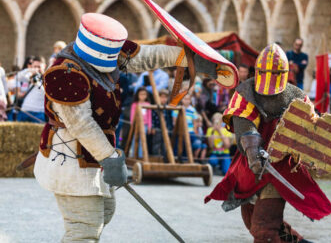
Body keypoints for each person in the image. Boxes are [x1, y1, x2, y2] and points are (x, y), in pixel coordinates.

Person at [33, 13, 221, 242]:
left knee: (104, 212)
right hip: (70, 156)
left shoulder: (107, 52)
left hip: (98, 154)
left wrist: (187, 58)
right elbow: (81, 125)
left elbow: (144, 56)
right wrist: (110, 158)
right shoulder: (64, 73)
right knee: (84, 228)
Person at [205, 43, 331, 243]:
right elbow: (244, 122)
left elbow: (310, 130)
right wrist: (253, 150)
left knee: (264, 229)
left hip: (280, 167)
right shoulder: (246, 92)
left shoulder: (297, 97)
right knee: (254, 223)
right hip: (250, 165)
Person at [16, 56, 46, 123]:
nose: (37, 69)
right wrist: (29, 70)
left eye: (39, 67)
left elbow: (46, 93)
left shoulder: (47, 78)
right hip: (24, 111)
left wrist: (37, 83)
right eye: (35, 66)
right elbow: (17, 77)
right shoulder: (29, 76)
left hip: (39, 113)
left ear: (44, 66)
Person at [130, 87, 152, 158]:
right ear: (138, 95)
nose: (143, 96)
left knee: (142, 141)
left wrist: (149, 126)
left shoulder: (148, 104)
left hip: (144, 125)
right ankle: (134, 155)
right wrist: (132, 124)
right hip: (136, 125)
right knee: (135, 140)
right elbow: (132, 115)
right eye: (141, 94)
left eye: (144, 94)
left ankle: (141, 156)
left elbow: (149, 116)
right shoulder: (135, 104)